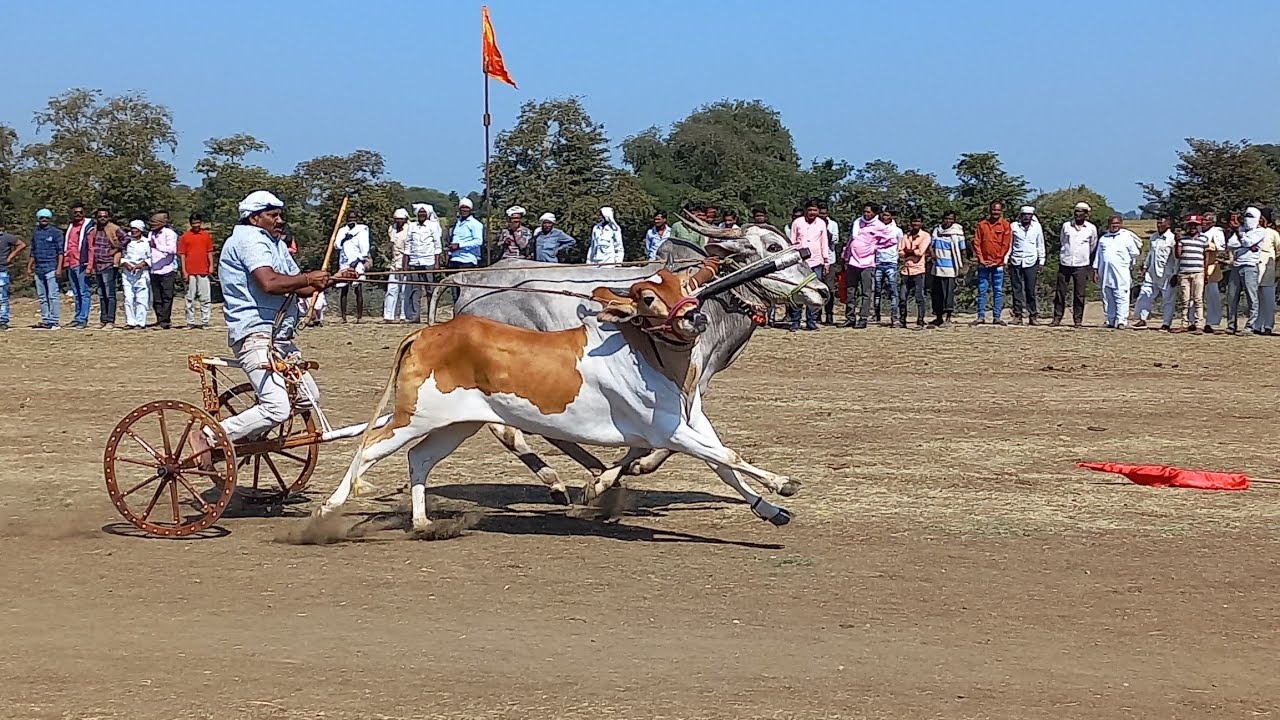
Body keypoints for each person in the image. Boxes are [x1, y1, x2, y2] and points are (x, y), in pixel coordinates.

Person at [187, 190, 335, 462]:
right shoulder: (248, 240)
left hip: (278, 337)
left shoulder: (274, 243)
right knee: (277, 409)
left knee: (307, 397)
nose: (280, 220)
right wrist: (308, 278)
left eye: (280, 215)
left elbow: (300, 287)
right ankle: (209, 436)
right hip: (254, 333)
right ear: (254, 218)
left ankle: (239, 436)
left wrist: (331, 279)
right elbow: (270, 283)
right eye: (273, 215)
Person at [842, 204, 888, 328]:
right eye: (864, 211)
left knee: (866, 293)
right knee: (851, 291)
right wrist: (846, 252)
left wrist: (876, 247)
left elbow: (891, 240)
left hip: (868, 264)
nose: (866, 214)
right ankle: (850, 317)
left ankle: (863, 318)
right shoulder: (858, 222)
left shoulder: (880, 226)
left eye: (868, 212)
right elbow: (852, 238)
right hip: (853, 261)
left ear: (874, 213)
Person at [1053, 202, 1098, 327]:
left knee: (1079, 293)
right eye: (1076, 211)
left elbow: (1092, 245)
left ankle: (1078, 320)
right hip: (1065, 262)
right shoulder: (1066, 226)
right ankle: (1057, 318)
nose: (1078, 214)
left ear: (1086, 214)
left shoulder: (1091, 228)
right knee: (1060, 292)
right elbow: (1063, 241)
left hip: (1081, 264)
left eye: (1081, 212)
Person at [789, 200, 832, 331]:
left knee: (814, 291)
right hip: (799, 262)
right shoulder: (797, 222)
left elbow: (824, 242)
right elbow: (792, 241)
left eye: (815, 210)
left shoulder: (821, 223)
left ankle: (811, 321)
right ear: (805, 210)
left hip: (816, 261)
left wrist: (826, 261)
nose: (812, 213)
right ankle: (795, 321)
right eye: (810, 210)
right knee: (797, 290)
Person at [1093, 215, 1142, 329]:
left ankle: (1121, 321)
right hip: (1105, 272)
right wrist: (1095, 270)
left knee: (1121, 295)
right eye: (1113, 223)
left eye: (1117, 223)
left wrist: (1128, 264)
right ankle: (1110, 320)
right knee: (1107, 296)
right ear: (1109, 224)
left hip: (1121, 272)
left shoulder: (1126, 237)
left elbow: (1134, 253)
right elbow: (1098, 256)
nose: (1115, 225)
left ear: (1121, 224)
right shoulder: (1104, 238)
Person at [1132, 216, 1177, 330]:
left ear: (1168, 225)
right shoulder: (1154, 237)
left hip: (1166, 273)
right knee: (1144, 294)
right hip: (1152, 272)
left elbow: (1176, 258)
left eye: (1161, 223)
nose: (1159, 225)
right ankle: (1142, 319)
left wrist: (1175, 274)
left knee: (1168, 299)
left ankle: (1166, 323)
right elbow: (1150, 254)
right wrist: (1145, 267)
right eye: (1158, 223)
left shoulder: (1172, 239)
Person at [972, 201, 1012, 325]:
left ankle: (997, 317)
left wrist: (997, 261)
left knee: (998, 291)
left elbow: (1005, 245)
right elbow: (977, 243)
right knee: (982, 290)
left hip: (998, 264)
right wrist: (981, 259)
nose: (996, 212)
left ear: (1001, 211)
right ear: (990, 210)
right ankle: (981, 316)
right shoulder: (982, 225)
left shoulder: (1005, 225)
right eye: (994, 210)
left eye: (998, 210)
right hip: (983, 264)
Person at [1226, 206, 1265, 334]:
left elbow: (1247, 243)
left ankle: (1250, 326)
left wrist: (1241, 237)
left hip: (1250, 266)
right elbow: (1231, 244)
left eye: (1250, 216)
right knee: (1232, 297)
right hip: (1237, 265)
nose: (1247, 219)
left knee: (1251, 297)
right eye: (1246, 216)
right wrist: (1245, 243)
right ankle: (1231, 325)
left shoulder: (1260, 231)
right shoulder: (1241, 229)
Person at [402, 203, 442, 323]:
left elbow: (437, 245)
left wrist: (437, 263)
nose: (422, 214)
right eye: (420, 213)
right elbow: (408, 245)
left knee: (430, 289)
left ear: (427, 214)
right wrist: (406, 264)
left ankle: (431, 315)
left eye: (424, 213)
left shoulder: (433, 226)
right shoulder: (412, 226)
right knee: (415, 289)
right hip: (414, 261)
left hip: (428, 261)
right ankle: (415, 316)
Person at [86, 208, 125, 329]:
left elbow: (126, 239)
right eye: (100, 216)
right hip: (98, 265)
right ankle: (103, 319)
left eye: (105, 216)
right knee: (101, 294)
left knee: (110, 294)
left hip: (109, 264)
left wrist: (116, 249)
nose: (102, 218)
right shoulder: (94, 229)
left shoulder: (114, 228)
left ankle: (110, 320)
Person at [927, 211, 966, 327]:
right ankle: (938, 317)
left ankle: (948, 318)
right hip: (938, 266)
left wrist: (962, 264)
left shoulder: (957, 232)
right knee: (937, 293)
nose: (948, 221)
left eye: (950, 219)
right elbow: (931, 245)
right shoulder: (937, 231)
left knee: (948, 293)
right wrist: (932, 254)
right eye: (946, 218)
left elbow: (963, 249)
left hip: (951, 268)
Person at [28, 208, 64, 329]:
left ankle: (54, 320)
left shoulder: (56, 232)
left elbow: (60, 252)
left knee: (53, 296)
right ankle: (46, 319)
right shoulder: (36, 233)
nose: (44, 219)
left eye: (47, 218)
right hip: (39, 269)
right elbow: (33, 251)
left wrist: (59, 268)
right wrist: (29, 267)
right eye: (42, 217)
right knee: (42, 296)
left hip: (51, 267)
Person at [1008, 205, 1045, 325]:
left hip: (1031, 261)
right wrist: (1006, 259)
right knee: (1016, 289)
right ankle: (1017, 315)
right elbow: (1010, 243)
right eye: (1024, 215)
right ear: (1021, 215)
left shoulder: (1037, 227)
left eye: (1029, 215)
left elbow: (1040, 243)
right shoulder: (1014, 226)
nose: (1026, 217)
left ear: (1032, 216)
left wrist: (1042, 260)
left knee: (1030, 290)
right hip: (1016, 260)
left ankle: (1032, 315)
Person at [177, 214, 215, 329]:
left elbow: (209, 251)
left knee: (205, 297)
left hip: (203, 270)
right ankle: (190, 321)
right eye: (194, 223)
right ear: (190, 224)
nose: (196, 225)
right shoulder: (185, 236)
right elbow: (182, 255)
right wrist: (184, 271)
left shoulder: (206, 235)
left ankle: (205, 321)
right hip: (190, 271)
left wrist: (211, 266)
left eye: (198, 222)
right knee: (190, 298)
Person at [334, 209, 370, 323]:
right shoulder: (342, 230)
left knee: (358, 289)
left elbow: (365, 248)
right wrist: (345, 238)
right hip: (344, 262)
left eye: (353, 218)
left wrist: (357, 260)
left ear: (356, 219)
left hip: (357, 262)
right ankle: (343, 317)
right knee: (344, 289)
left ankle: (359, 317)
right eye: (350, 218)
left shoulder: (362, 230)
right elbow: (337, 245)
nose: (351, 220)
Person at [61, 204, 93, 328]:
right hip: (71, 263)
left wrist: (89, 265)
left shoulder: (88, 228)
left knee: (84, 292)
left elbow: (91, 247)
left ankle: (83, 318)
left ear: (84, 213)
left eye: (80, 212)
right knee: (76, 292)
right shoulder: (71, 227)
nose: (78, 214)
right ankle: (77, 317)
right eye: (75, 212)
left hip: (81, 263)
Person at [1174, 215, 1208, 332]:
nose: (1192, 227)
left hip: (1198, 272)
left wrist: (1206, 272)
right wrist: (1177, 242)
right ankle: (1184, 324)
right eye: (1190, 225)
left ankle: (1199, 325)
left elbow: (1206, 256)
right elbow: (1178, 255)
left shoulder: (1204, 239)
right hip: (1184, 272)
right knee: (1185, 299)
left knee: (1198, 299)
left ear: (1199, 226)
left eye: (1195, 225)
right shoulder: (1183, 239)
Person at [447, 198, 484, 302]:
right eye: (462, 208)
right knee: (454, 291)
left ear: (470, 210)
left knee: (466, 291)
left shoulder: (475, 224)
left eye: (466, 208)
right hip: (455, 259)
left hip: (467, 260)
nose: (464, 210)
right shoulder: (457, 223)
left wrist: (460, 246)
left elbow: (478, 241)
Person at [897, 214, 929, 328]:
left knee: (919, 297)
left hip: (918, 270)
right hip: (906, 270)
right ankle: (902, 320)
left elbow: (920, 252)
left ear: (922, 223)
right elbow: (900, 252)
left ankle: (920, 321)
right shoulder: (905, 236)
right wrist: (912, 251)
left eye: (918, 221)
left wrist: (908, 251)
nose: (916, 224)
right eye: (914, 221)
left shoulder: (925, 236)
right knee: (902, 298)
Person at [147, 213, 178, 329]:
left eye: (155, 223)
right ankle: (159, 319)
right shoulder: (151, 234)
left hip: (167, 269)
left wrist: (157, 246)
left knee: (167, 296)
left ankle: (165, 321)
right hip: (154, 269)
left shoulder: (169, 233)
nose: (152, 225)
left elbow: (172, 249)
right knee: (157, 298)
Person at [120, 220, 152, 330]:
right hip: (127, 273)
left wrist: (141, 265)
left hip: (142, 273)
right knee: (128, 298)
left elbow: (150, 257)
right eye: (132, 228)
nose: (133, 231)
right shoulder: (126, 241)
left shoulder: (146, 242)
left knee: (141, 298)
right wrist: (126, 264)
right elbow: (121, 255)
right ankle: (130, 322)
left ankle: (140, 322)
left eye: (136, 229)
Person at [873, 208, 902, 324]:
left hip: (891, 263)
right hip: (878, 262)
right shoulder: (877, 228)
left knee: (893, 291)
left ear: (892, 217)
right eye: (883, 215)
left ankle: (894, 316)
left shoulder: (897, 231)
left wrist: (897, 259)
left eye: (887, 215)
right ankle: (876, 315)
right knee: (877, 291)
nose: (885, 217)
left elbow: (900, 246)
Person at [1253, 208, 1280, 334]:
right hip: (1254, 267)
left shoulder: (1272, 233)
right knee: (1256, 299)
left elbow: (1278, 249)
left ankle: (1268, 325)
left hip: (1268, 269)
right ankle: (1257, 325)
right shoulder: (1254, 232)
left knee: (1268, 299)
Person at [1201, 211, 1226, 333]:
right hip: (1198, 266)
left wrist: (1210, 247)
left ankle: (1212, 321)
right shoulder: (1199, 232)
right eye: (1203, 219)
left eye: (1207, 220)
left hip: (1211, 266)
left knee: (1212, 295)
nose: (1204, 222)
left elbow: (1221, 248)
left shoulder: (1217, 232)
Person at [383, 208, 410, 324]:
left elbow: (408, 249)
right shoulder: (392, 229)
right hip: (394, 263)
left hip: (405, 263)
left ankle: (403, 315)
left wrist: (406, 265)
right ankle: (388, 315)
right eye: (397, 219)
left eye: (401, 219)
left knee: (404, 291)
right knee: (391, 289)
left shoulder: (409, 229)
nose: (399, 221)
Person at [0, 220, 27, 331]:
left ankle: (3, 320)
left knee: (2, 297)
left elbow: (21, 244)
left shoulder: (6, 237)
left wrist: (11, 256)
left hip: (1, 270)